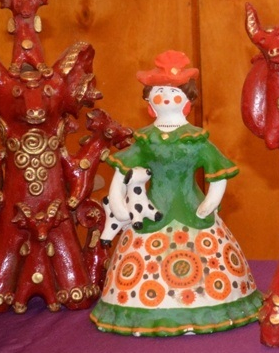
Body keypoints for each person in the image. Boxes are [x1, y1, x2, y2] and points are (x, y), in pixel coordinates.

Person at [91, 50, 262, 336]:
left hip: (194, 211)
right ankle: (139, 309)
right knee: (139, 264)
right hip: (150, 211)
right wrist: (118, 200)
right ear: (149, 101)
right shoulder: (146, 139)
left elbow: (217, 171)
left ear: (186, 101)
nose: (167, 97)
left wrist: (211, 202)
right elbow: (124, 169)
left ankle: (211, 305)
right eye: (159, 92)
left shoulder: (195, 139)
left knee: (206, 264)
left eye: (174, 92)